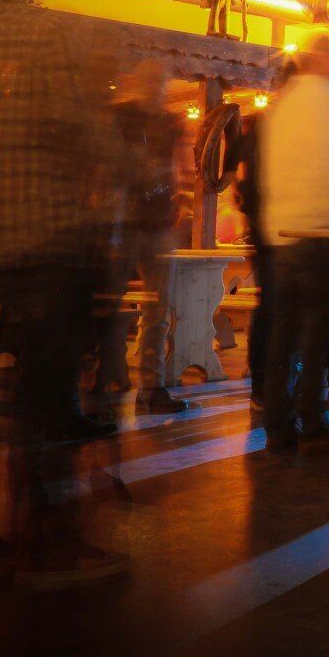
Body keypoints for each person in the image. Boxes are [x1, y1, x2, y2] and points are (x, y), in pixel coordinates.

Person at [0, 0, 125, 586]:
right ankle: (48, 549)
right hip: (55, 253)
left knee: (22, 402)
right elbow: (104, 149)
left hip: (13, 254)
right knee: (48, 402)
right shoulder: (56, 92)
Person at [257, 37, 329, 448]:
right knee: (315, 330)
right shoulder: (328, 102)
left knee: (282, 331)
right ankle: (312, 419)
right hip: (316, 230)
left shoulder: (284, 104)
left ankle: (276, 422)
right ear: (324, 59)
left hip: (281, 232)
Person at [116, 61, 189, 415]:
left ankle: (151, 386)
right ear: (140, 82)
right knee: (113, 304)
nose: (159, 88)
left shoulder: (169, 122)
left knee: (158, 308)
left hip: (157, 224)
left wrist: (177, 195)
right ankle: (111, 378)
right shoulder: (122, 118)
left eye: (162, 82)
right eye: (154, 81)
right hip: (125, 222)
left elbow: (178, 166)